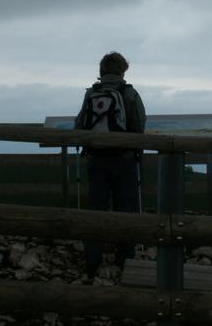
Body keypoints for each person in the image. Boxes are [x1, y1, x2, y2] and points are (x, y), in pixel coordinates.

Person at [74, 51, 146, 279]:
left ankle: (92, 260)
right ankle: (125, 258)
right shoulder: (130, 93)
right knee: (126, 209)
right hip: (124, 159)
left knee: (96, 209)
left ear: (102, 70)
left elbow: (79, 124)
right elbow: (139, 124)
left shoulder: (91, 94)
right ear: (123, 70)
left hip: (96, 159)